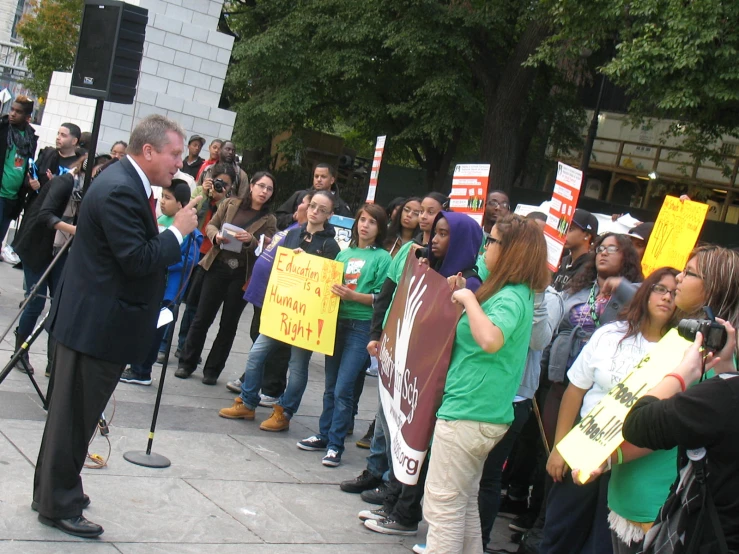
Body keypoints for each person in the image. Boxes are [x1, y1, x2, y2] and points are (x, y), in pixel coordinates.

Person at [32, 114, 200, 539]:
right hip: (97, 326)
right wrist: (177, 234)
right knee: (74, 419)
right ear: (148, 151)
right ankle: (59, 504)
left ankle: (53, 491)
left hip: (95, 322)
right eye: (174, 154)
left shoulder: (126, 182)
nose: (180, 164)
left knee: (72, 418)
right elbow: (137, 258)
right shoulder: (122, 189)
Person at [421, 214, 549, 553]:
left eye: (491, 241)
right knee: (461, 505)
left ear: (512, 251)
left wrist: (469, 300)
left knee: (443, 508)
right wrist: (465, 297)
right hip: (480, 413)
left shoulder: (510, 296)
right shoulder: (511, 292)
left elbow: (491, 339)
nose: (485, 246)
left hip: (470, 411)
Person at [541, 268, 680, 554]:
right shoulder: (609, 335)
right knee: (560, 530)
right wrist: (560, 447)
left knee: (603, 544)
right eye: (660, 289)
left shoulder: (681, 351)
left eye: (674, 292)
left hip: (629, 458)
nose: (667, 297)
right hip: (585, 442)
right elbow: (575, 391)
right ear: (645, 292)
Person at [623, 247, 739, 553]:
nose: (677, 279)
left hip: (674, 508)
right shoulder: (696, 342)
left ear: (712, 287)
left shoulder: (719, 365)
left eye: (688, 273)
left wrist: (682, 376)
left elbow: (642, 425)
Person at [340, 192, 449, 497]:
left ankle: (391, 480)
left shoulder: (446, 260)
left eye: (431, 212)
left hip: (418, 352)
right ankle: (374, 471)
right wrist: (376, 334)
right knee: (383, 411)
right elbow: (385, 294)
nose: (424, 217)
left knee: (402, 420)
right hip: (391, 339)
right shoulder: (407, 251)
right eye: (421, 212)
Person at [218, 190, 340, 431]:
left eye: (322, 209)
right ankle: (248, 401)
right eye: (313, 206)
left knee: (297, 367)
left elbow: (329, 281)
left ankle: (284, 412)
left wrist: (308, 262)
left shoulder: (330, 245)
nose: (315, 211)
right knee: (255, 355)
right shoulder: (293, 234)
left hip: (306, 317)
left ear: (330, 215)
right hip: (283, 309)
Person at [298, 203, 391, 467]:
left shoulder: (383, 258)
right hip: (335, 322)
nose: (365, 225)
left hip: (361, 327)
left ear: (380, 228)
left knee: (343, 388)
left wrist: (352, 296)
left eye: (372, 222)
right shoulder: (344, 254)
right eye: (362, 219)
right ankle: (324, 434)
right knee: (330, 387)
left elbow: (381, 298)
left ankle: (336, 445)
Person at [12, 155, 112, 376]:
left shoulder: (92, 191)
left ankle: (52, 361)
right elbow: (44, 215)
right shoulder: (65, 182)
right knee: (36, 300)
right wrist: (76, 230)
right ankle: (19, 352)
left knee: (60, 304)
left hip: (63, 250)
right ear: (90, 169)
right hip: (38, 246)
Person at [175, 172, 277, 385]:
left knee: (229, 324)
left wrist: (252, 240)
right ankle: (187, 362)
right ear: (251, 186)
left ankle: (212, 370)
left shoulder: (269, 220)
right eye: (261, 186)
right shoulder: (231, 203)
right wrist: (216, 236)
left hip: (242, 273)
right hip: (217, 266)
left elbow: (267, 248)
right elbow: (211, 225)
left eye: (269, 189)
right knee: (202, 316)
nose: (264, 192)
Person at [225, 193, 314, 396]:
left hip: (275, 296)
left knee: (273, 345)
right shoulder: (292, 229)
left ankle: (270, 387)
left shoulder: (303, 234)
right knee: (257, 337)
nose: (300, 206)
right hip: (261, 291)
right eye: (303, 203)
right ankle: (252, 380)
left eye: (305, 204)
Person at [120, 180, 203, 385]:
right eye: (162, 197)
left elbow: (189, 260)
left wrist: (162, 261)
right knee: (141, 328)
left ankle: (142, 371)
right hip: (150, 286)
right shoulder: (160, 219)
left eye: (168, 198)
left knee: (154, 332)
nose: (162, 202)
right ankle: (135, 365)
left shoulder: (190, 231)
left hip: (169, 291)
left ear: (182, 204)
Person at [171, 163, 236, 360]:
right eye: (217, 181)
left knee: (195, 304)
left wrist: (220, 199)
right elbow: (187, 215)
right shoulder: (199, 192)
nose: (219, 186)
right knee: (177, 299)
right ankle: (165, 343)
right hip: (192, 250)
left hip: (210, 256)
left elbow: (226, 226)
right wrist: (206, 197)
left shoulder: (230, 203)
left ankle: (184, 345)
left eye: (225, 184)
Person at [0, 96, 37, 263]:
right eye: (12, 110)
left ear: (28, 117)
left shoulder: (30, 138)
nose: (13, 114)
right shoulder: (3, 129)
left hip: (14, 196)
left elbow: (26, 165)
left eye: (18, 112)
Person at [274, 163, 353, 228]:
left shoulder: (341, 206)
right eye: (316, 176)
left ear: (332, 180)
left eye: (323, 177)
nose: (319, 179)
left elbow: (346, 232)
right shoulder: (300, 196)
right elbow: (278, 220)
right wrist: (293, 217)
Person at [552, 209, 599, 292]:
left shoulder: (591, 266)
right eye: (564, 228)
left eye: (570, 229)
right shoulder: (564, 261)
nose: (564, 233)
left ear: (587, 235)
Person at [34, 123, 82, 189]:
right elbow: (33, 174)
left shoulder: (78, 165)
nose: (58, 138)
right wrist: (31, 182)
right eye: (58, 134)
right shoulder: (47, 155)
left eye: (63, 135)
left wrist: (55, 183)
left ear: (74, 141)